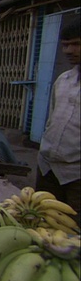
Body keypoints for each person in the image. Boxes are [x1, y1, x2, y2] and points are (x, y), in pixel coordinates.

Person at [36, 18, 80, 215]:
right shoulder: (64, 80)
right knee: (40, 222)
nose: (69, 50)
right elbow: (52, 120)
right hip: (47, 169)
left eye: (77, 44)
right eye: (65, 45)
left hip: (76, 176)